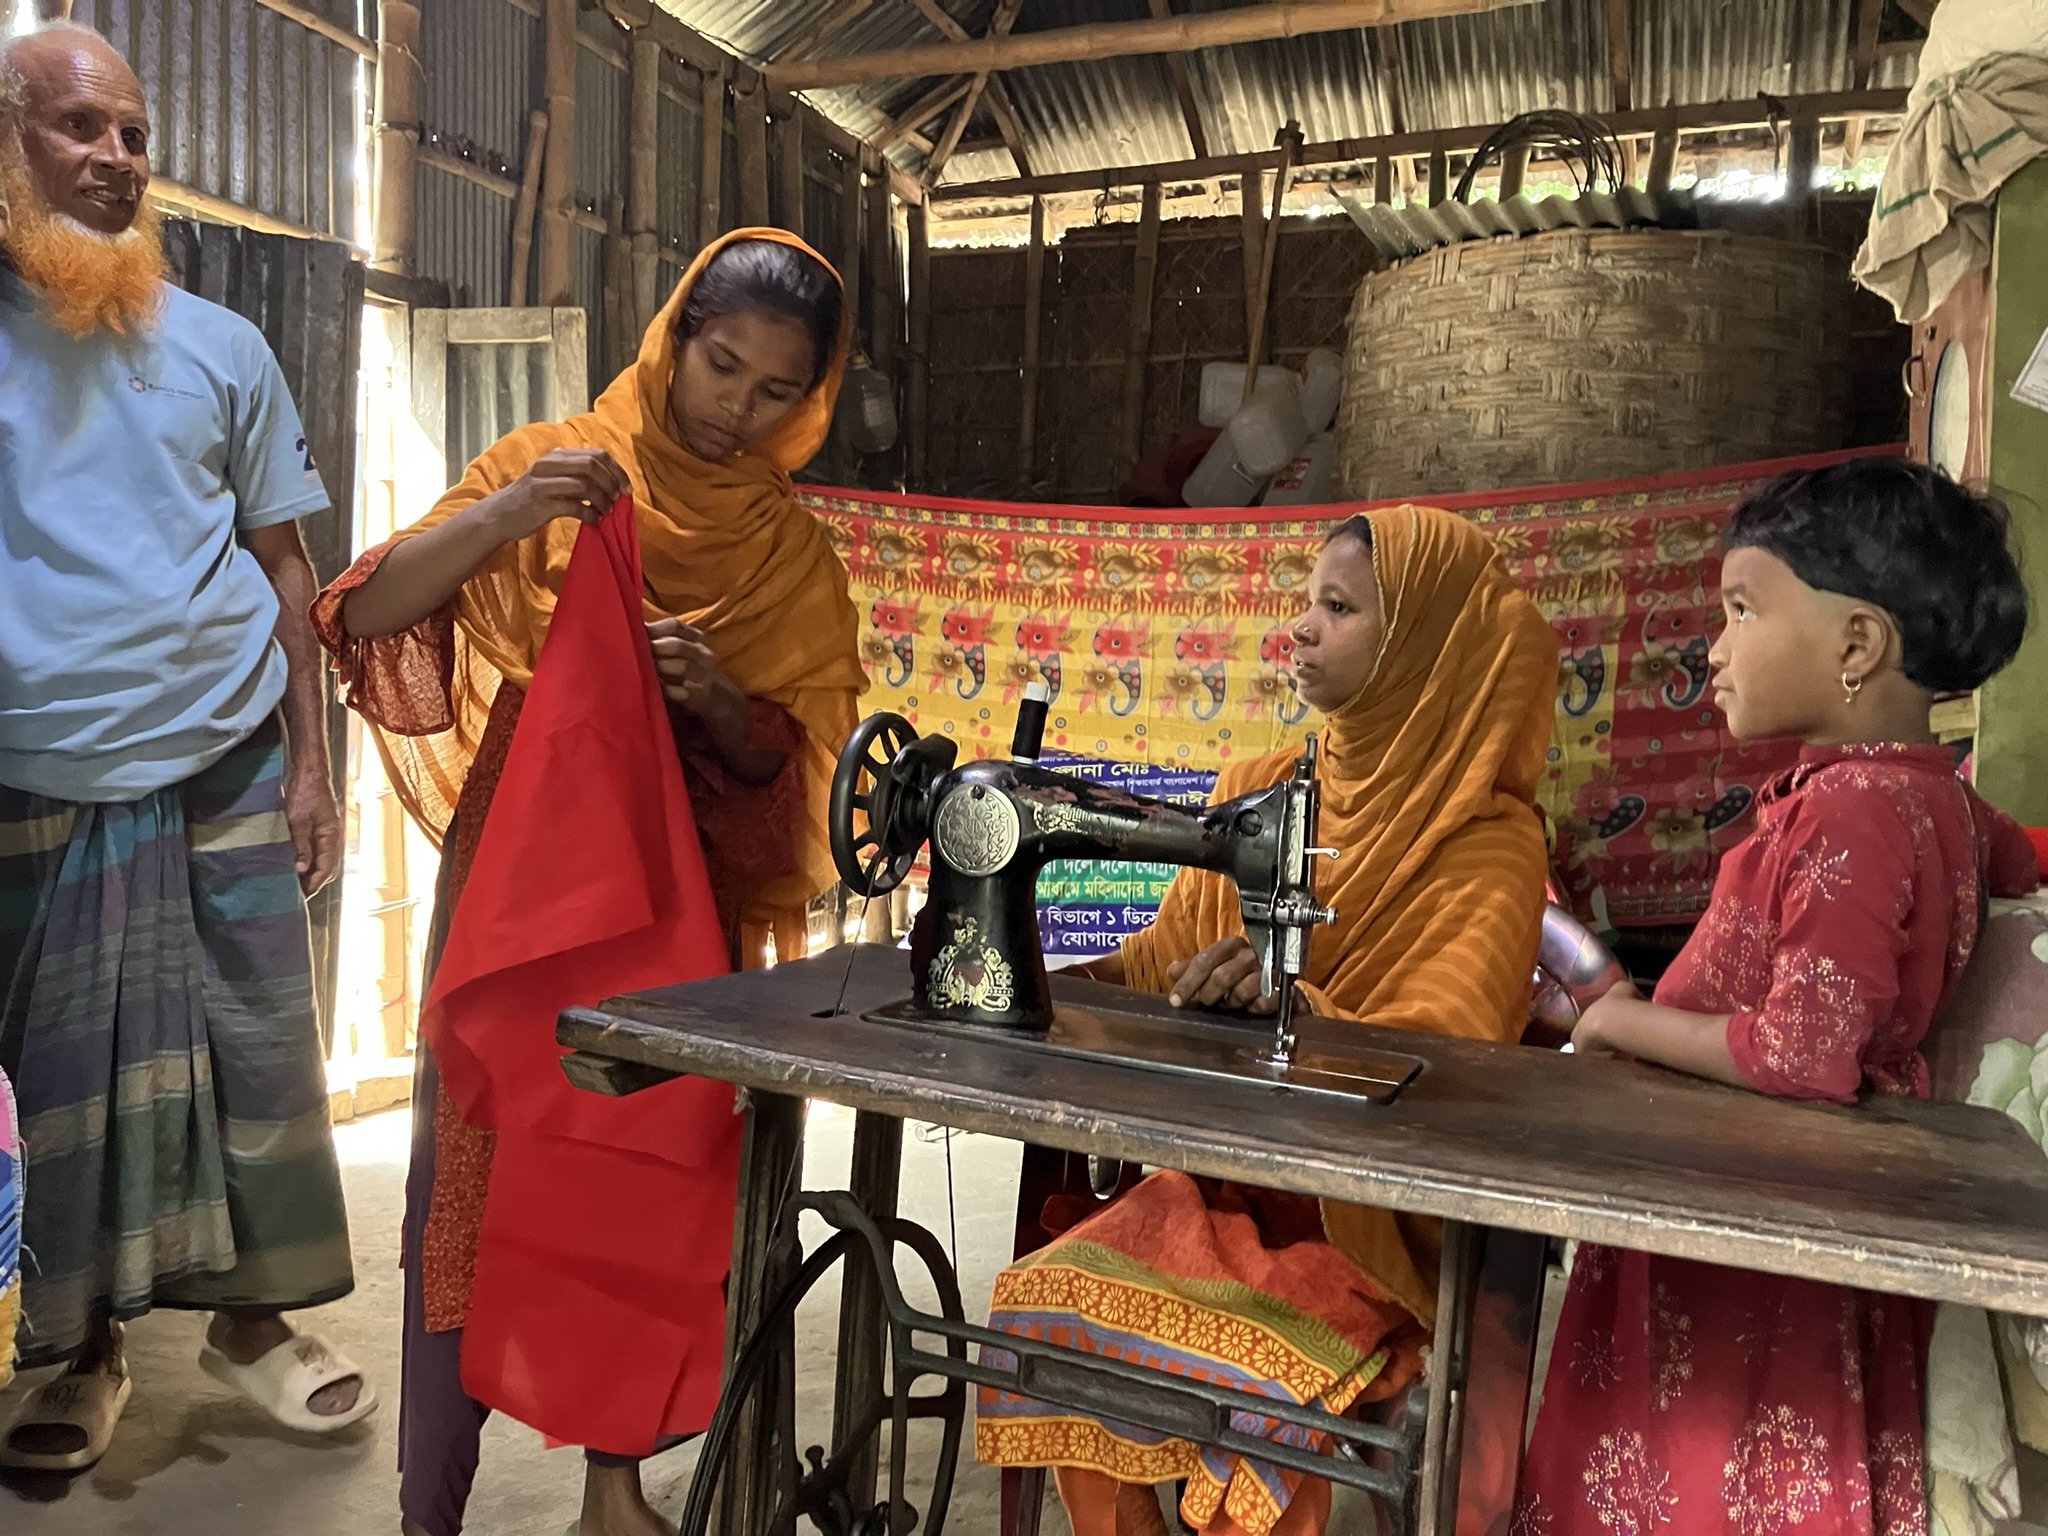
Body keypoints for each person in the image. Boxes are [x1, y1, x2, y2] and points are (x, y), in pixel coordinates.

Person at [314, 230, 864, 1536]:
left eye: (773, 388)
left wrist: (728, 711)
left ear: (813, 399)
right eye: (717, 364)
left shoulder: (790, 562)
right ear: (673, 339)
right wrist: (507, 517)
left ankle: (613, 1490)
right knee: (477, 1167)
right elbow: (370, 611)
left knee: (638, 1177)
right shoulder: (555, 468)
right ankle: (429, 1505)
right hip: (527, 880)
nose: (734, 405)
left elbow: (804, 777)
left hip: (682, 898)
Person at [977, 505, 1561, 1536]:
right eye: (1303, 603)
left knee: (1251, 1395)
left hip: (1364, 1221)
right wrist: (1042, 971)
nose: (1296, 629)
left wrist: (1302, 1008)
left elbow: (1451, 1059)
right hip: (1218, 1182)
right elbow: (1160, 962)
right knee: (1047, 1310)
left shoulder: (1489, 844)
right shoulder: (1260, 792)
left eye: (1334, 609)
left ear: (1424, 648)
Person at [1517, 459, 2039, 1536]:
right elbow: (2018, 870)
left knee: (1699, 1476)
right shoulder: (1934, 795)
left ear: (1855, 645)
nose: (1710, 647)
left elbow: (1803, 1054)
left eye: (1741, 609)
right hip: (1824, 1204)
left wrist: (1615, 1015)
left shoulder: (1850, 811)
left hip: (1753, 1219)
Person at [0, 22, 371, 1472]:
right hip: (34, 769)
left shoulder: (223, 346)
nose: (115, 160)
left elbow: (289, 574)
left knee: (258, 1054)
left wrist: (312, 760)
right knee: (61, 1072)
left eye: (134, 135)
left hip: (220, 750)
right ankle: (76, 1352)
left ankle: (255, 1320)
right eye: (79, 129)